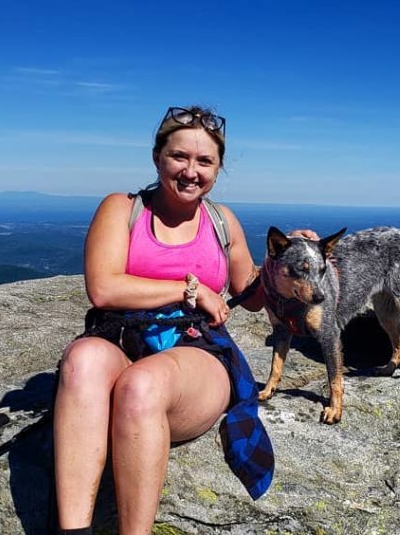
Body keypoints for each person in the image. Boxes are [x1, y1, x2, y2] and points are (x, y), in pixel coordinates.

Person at [53, 105, 274, 534]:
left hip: (195, 353)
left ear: (217, 168)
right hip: (121, 338)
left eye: (204, 161)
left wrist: (289, 266)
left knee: (142, 384)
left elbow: (251, 294)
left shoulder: (221, 222)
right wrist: (190, 290)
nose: (191, 171)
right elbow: (103, 288)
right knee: (82, 360)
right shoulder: (123, 209)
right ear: (157, 158)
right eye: (179, 157)